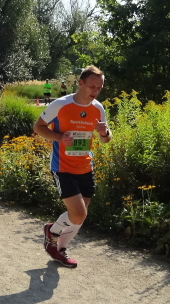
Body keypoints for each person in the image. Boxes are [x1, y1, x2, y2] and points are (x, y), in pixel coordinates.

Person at [33, 65, 112, 268]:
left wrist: (104, 133)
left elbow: (105, 139)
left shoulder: (98, 108)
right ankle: (51, 231)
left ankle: (59, 250)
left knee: (79, 217)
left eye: (99, 88)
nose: (95, 91)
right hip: (63, 167)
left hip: (85, 166)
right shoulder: (61, 104)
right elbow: (38, 127)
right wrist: (60, 138)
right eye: (92, 86)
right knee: (78, 214)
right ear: (81, 83)